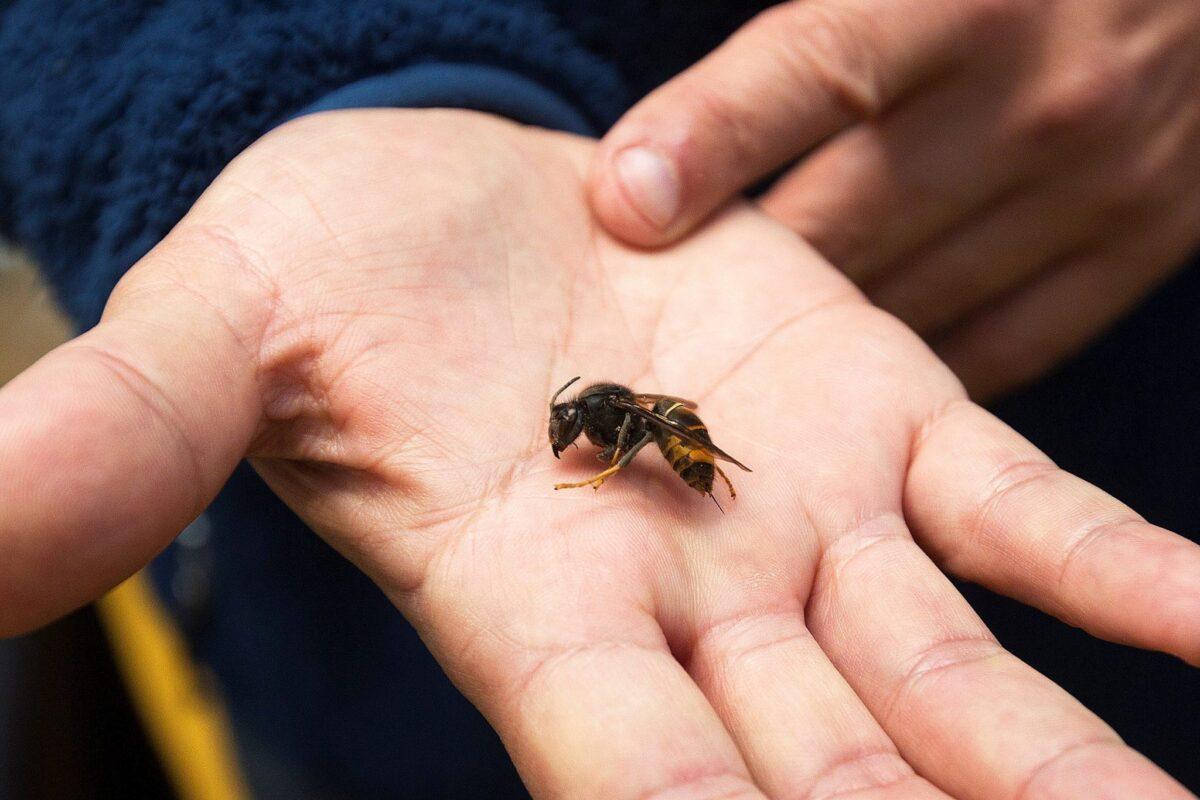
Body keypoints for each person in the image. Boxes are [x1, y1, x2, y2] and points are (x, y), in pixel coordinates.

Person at [0, 3, 1196, 799]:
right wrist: (287, 80)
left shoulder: (633, 428)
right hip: (359, 666)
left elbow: (640, 427)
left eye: (585, 434)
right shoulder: (589, 422)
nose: (582, 438)